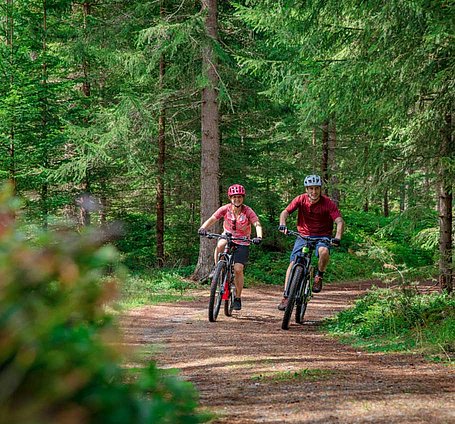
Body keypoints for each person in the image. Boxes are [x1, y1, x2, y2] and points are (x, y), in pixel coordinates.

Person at [277, 175, 344, 311]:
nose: (314, 192)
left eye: (317, 189)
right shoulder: (300, 199)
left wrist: (337, 237)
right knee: (293, 263)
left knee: (323, 252)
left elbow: (339, 221)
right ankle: (286, 296)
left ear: (320, 189)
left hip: (322, 236)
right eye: (311, 189)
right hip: (303, 236)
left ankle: (319, 275)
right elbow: (285, 212)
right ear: (307, 189)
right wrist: (282, 224)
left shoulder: (328, 203)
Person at [198, 184, 263, 311]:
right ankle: (217, 268)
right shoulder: (225, 209)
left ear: (242, 198)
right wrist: (203, 228)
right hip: (228, 236)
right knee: (220, 244)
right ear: (230, 198)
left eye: (239, 197)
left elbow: (257, 223)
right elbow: (213, 218)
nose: (236, 200)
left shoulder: (248, 211)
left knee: (238, 269)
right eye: (234, 197)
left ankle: (238, 297)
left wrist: (259, 236)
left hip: (243, 240)